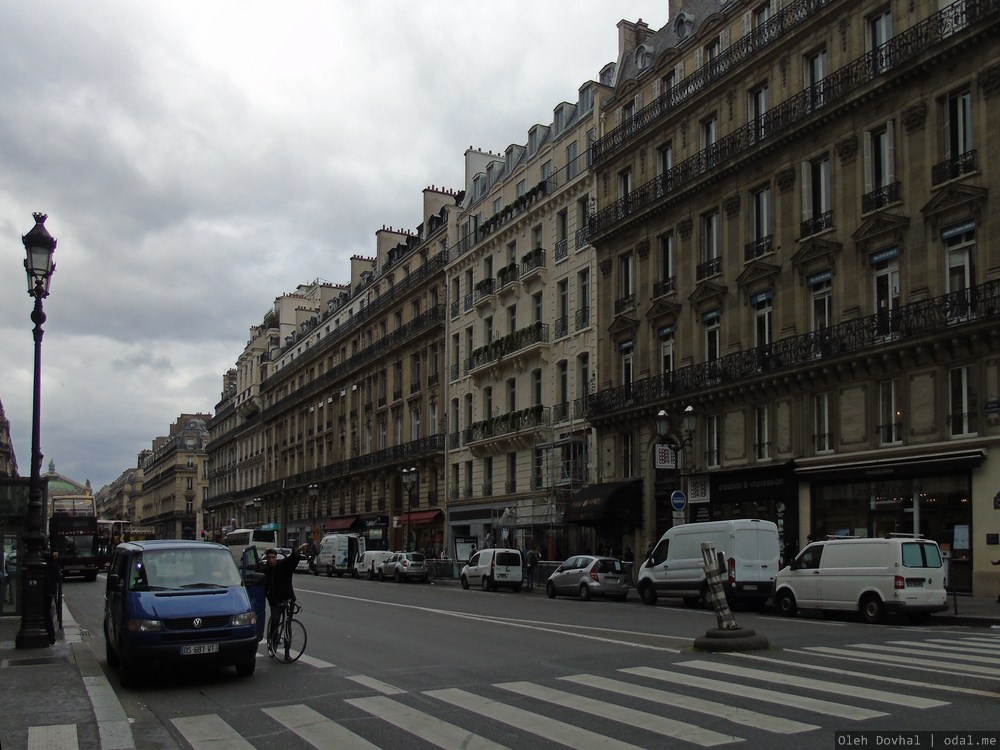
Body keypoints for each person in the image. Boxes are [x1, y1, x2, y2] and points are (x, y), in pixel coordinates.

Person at [264, 544, 308, 659]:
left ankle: (287, 653)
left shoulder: (282, 565)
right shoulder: (264, 570)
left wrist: (298, 551)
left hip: (288, 599)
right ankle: (273, 642)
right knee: (275, 620)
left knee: (288, 624)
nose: (271, 559)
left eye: (273, 557)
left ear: (276, 558)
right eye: (269, 557)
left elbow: (291, 559)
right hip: (275, 601)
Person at [43, 549, 61, 645]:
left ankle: (50, 636)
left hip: (44, 590)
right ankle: (51, 637)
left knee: (45, 612)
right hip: (50, 591)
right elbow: (57, 577)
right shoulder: (52, 561)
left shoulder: (42, 560)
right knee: (47, 612)